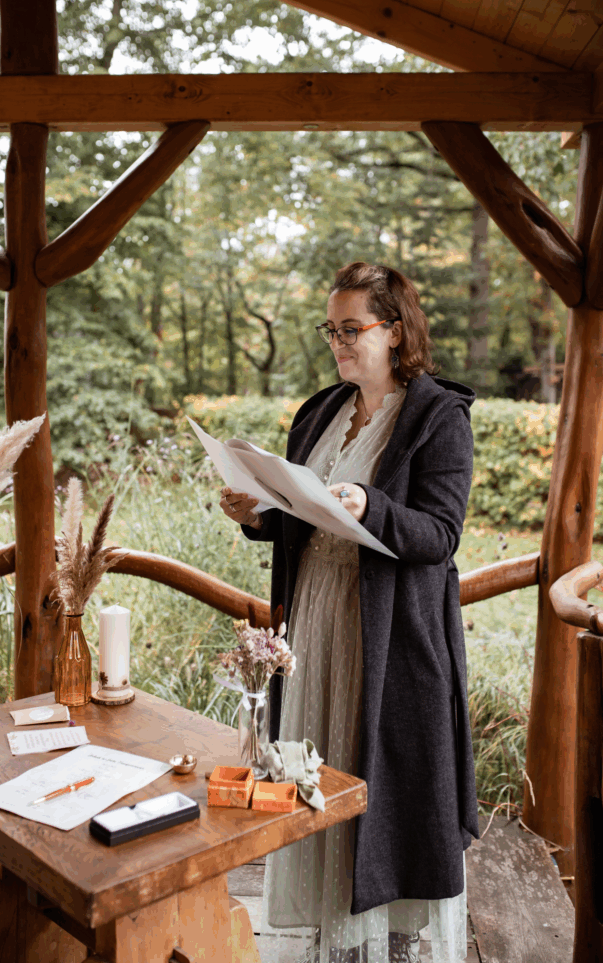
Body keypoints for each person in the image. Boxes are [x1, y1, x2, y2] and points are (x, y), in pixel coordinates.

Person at [219, 261, 479, 963]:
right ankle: (332, 942)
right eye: (330, 329)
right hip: (315, 622)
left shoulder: (437, 417)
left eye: (352, 328)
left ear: (394, 330)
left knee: (385, 788)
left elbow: (440, 536)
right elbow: (301, 516)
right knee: (318, 776)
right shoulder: (320, 411)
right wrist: (256, 513)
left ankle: (387, 947)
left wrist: (374, 507)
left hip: (391, 640)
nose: (338, 342)